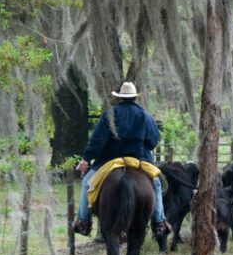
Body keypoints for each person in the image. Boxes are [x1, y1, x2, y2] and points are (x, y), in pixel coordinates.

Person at [72, 81, 168, 236]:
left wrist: (86, 158)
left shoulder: (109, 114)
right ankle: (158, 222)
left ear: (120, 98)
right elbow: (153, 140)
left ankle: (83, 221)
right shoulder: (145, 116)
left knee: (86, 184)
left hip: (109, 160)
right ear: (135, 97)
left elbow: (98, 140)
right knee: (156, 184)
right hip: (139, 160)